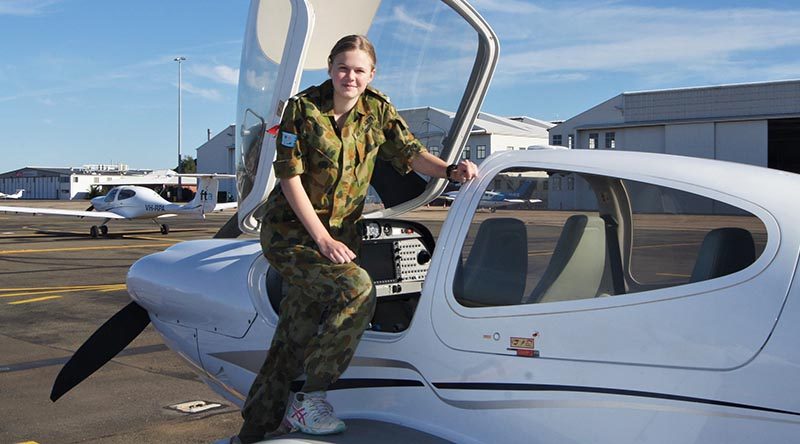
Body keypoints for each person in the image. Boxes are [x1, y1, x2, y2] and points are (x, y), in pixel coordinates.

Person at [236, 34, 477, 443]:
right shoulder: (303, 108)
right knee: (357, 288)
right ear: (330, 68)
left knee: (296, 330)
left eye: (359, 70)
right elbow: (289, 177)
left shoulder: (378, 110)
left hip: (340, 235)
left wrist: (451, 170)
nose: (350, 76)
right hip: (292, 234)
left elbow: (411, 153)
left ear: (371, 74)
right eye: (343, 67)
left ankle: (254, 429)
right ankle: (310, 396)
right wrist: (323, 240)